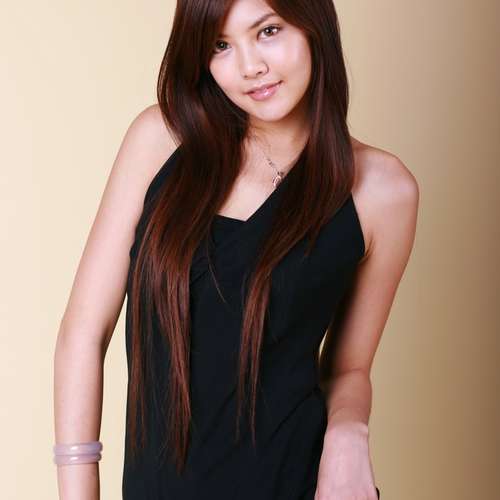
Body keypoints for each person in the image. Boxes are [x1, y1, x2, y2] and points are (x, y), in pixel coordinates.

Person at [53, 0, 419, 499]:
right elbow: (83, 332)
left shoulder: (382, 191)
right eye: (220, 45)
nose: (250, 67)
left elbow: (349, 368)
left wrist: (349, 435)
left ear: (314, 24)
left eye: (268, 31)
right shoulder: (160, 141)